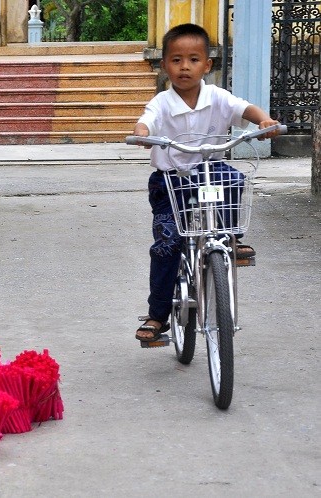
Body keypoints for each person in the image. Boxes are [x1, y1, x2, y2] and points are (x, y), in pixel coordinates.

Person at [132, 23, 281, 342]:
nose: (184, 66)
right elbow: (145, 121)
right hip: (170, 183)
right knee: (167, 245)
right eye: (176, 59)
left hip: (207, 176)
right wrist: (143, 135)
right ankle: (158, 316)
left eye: (193, 59)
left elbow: (245, 109)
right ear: (165, 64)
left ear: (207, 64)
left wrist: (264, 120)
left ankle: (230, 239)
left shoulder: (217, 96)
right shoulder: (162, 103)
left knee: (230, 176)